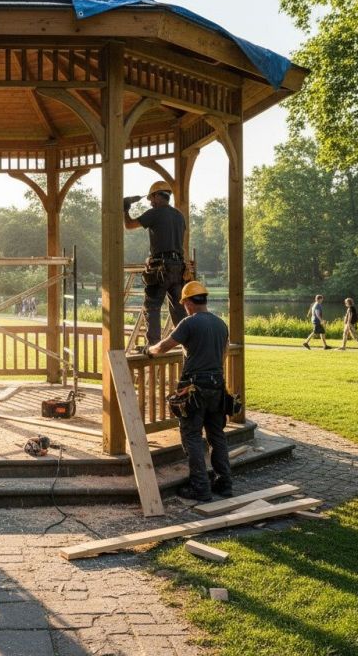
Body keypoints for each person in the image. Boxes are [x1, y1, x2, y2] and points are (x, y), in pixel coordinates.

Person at [145, 280, 231, 502]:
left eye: (184, 302)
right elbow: (224, 353)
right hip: (217, 385)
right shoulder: (221, 324)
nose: (184, 306)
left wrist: (150, 350)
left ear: (189, 303)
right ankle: (224, 483)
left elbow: (165, 346)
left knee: (192, 436)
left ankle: (200, 488)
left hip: (194, 387)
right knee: (216, 435)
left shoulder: (189, 323)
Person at [124, 180, 187, 344]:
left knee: (152, 306)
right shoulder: (179, 216)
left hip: (161, 268)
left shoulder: (155, 213)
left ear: (159, 196)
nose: (151, 202)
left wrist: (125, 209)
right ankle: (185, 343)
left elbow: (129, 225)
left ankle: (153, 346)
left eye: (152, 198)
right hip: (178, 267)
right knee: (179, 308)